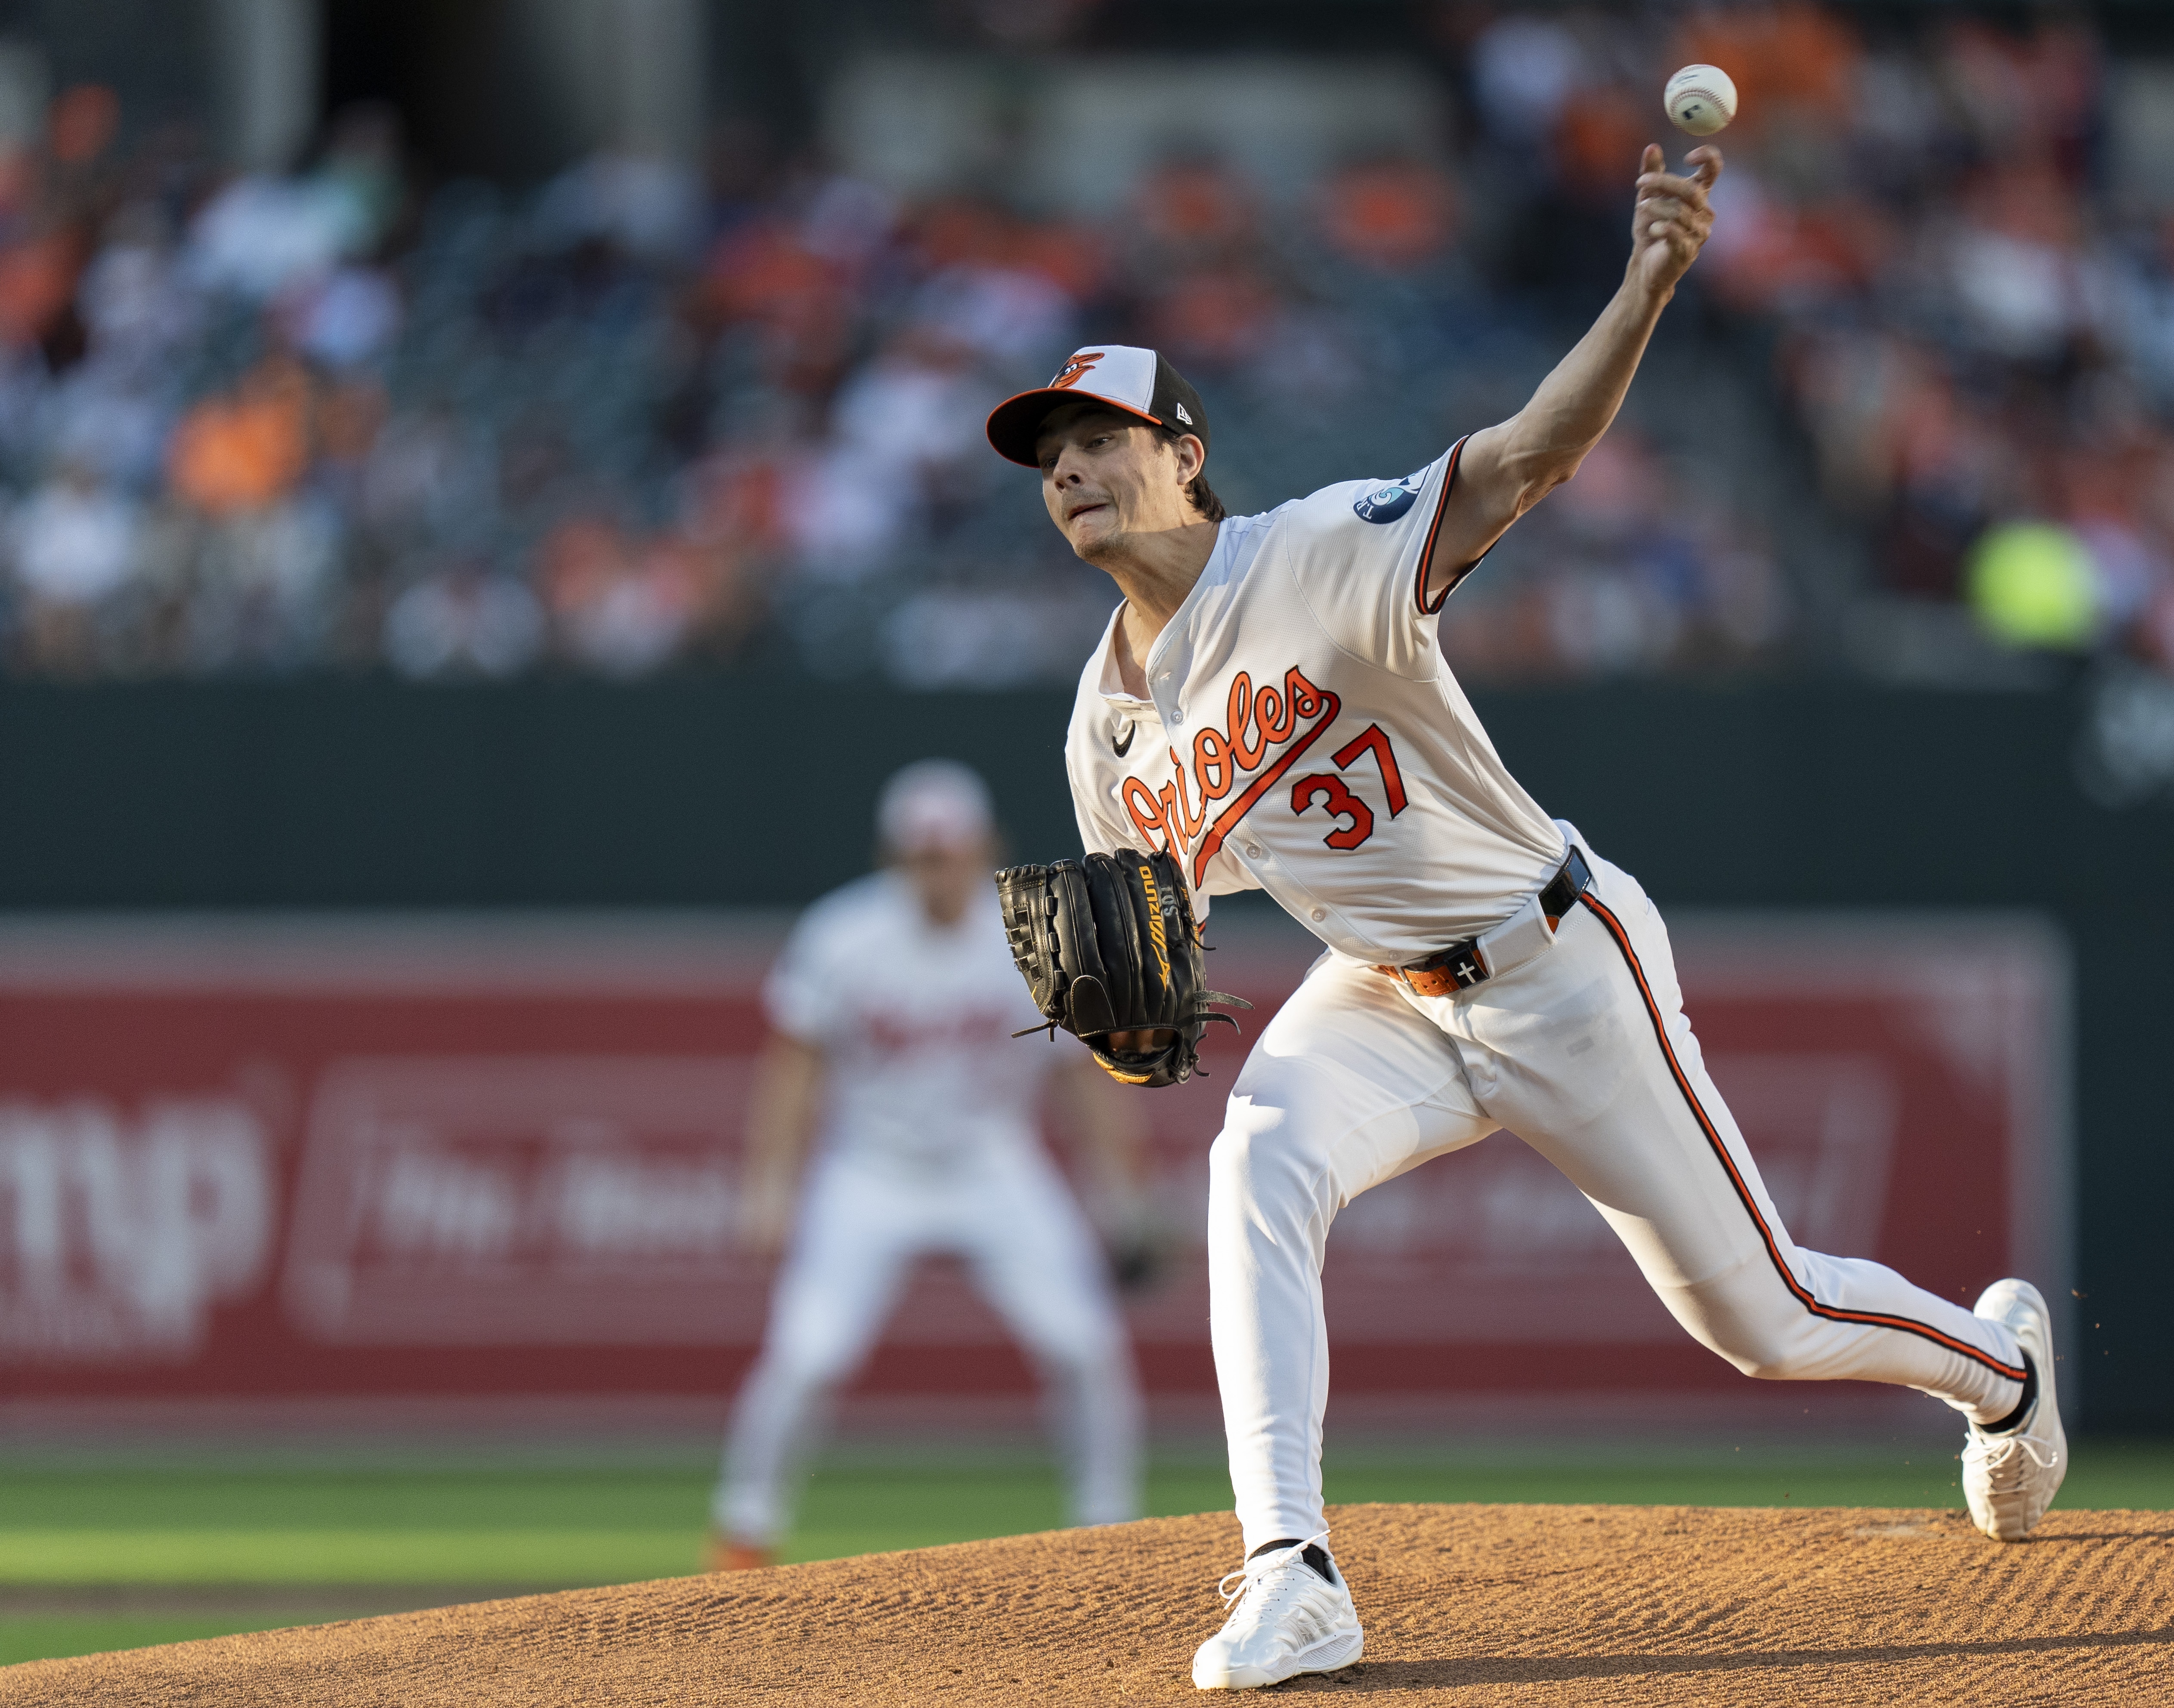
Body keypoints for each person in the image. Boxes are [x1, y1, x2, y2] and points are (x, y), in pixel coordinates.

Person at [979, 139, 2068, 1691]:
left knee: (1763, 1318)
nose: (1070, 471)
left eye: (1097, 437)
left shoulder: (1313, 552)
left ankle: (2004, 1376)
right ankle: (1291, 1569)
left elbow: (1522, 458)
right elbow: (1151, 949)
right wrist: (1119, 1034)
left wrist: (1643, 288)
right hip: (1381, 998)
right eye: (1047, 456)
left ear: (1181, 448)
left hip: (1559, 961)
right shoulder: (1101, 729)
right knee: (1257, 1159)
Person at [706, 759, 1150, 1570]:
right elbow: (793, 1069)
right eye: (921, 854)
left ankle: (1106, 1531)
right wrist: (768, 1188)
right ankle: (743, 1530)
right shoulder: (843, 935)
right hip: (870, 1169)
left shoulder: (1036, 936)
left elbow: (1082, 1081)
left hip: (992, 1161)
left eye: (950, 853)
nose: (936, 870)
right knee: (809, 1353)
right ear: (894, 857)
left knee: (1084, 1344)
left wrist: (1118, 1196)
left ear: (984, 851)